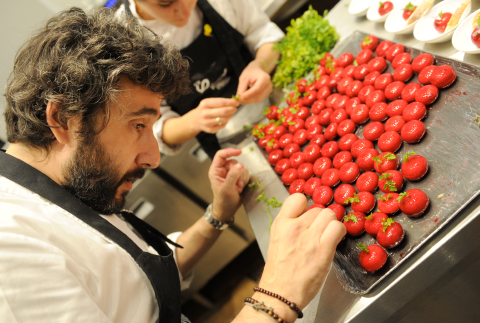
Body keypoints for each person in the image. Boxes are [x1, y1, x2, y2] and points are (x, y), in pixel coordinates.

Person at [0, 8, 345, 323]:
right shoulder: (12, 253)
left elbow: (141, 285)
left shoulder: (73, 185)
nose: (153, 156)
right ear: (63, 119)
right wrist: (278, 294)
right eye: (139, 126)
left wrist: (217, 215)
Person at [114, 0, 285, 158]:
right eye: (165, 4)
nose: (184, 12)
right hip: (229, 152)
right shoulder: (121, 41)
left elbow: (263, 34)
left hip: (280, 110)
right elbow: (149, 128)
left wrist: (260, 64)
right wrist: (194, 120)